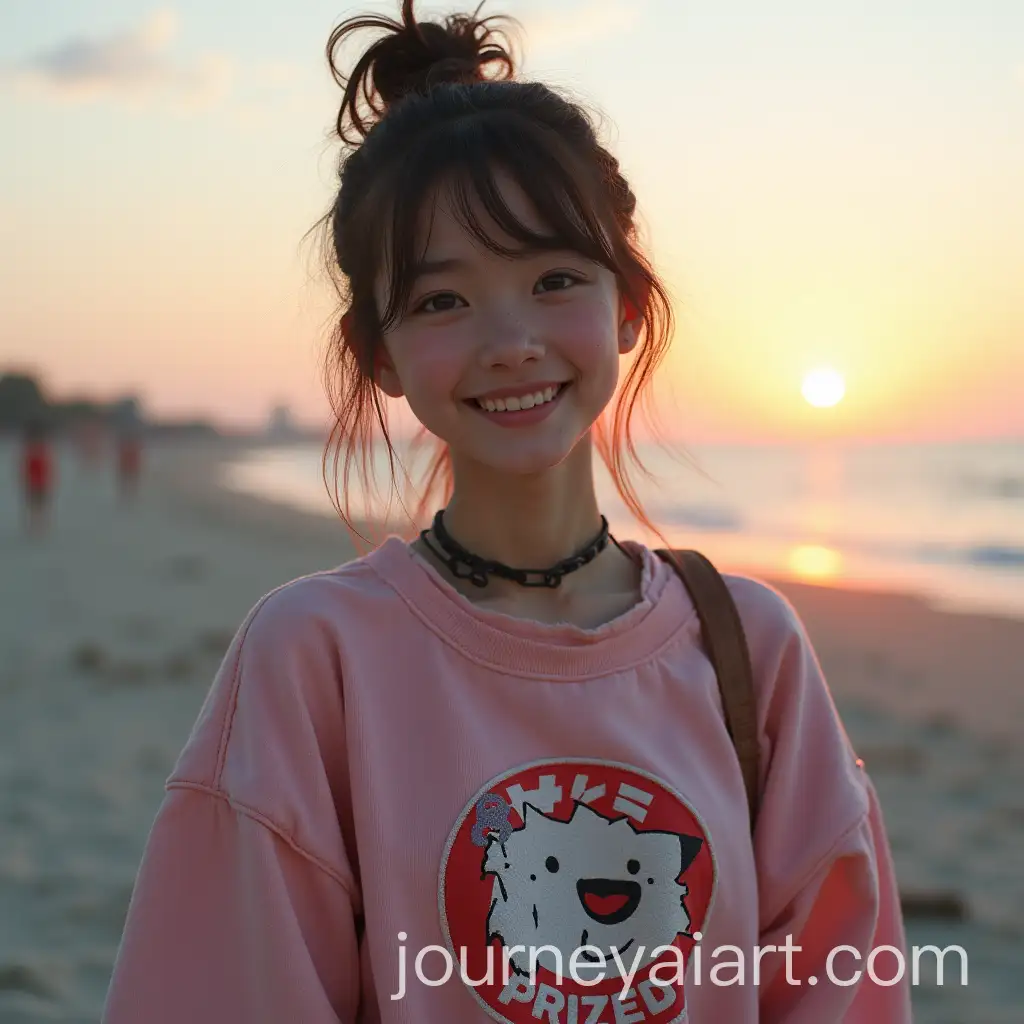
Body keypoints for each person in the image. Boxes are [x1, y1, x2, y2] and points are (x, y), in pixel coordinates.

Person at [102, 3, 912, 1021]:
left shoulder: (749, 648)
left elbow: (838, 989)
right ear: (379, 354)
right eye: (444, 300)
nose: (512, 339)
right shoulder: (317, 654)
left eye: (555, 279)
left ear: (625, 307)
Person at [20, 420, 55, 537]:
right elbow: (25, 467)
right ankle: (37, 526)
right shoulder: (33, 449)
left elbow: (47, 467)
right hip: (34, 482)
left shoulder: (40, 449)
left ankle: (38, 526)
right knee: (35, 505)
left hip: (40, 482)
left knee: (38, 505)